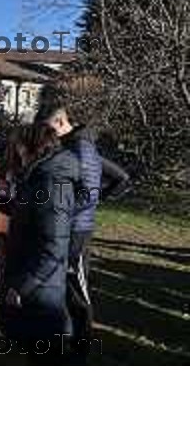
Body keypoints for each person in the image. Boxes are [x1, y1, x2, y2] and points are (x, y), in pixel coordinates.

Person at [35, 101, 130, 351]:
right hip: (70, 225)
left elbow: (88, 194)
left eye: (48, 129)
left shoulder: (81, 148)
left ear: (60, 123)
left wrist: (61, 213)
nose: (46, 135)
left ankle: (83, 342)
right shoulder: (74, 145)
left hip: (76, 229)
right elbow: (118, 177)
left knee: (77, 286)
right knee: (66, 283)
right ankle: (68, 335)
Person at [1, 123, 80, 363]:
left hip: (41, 293)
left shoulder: (50, 182)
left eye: (19, 149)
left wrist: (22, 287)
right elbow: (30, 211)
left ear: (33, 148)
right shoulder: (39, 177)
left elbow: (54, 248)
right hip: (35, 286)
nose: (17, 155)